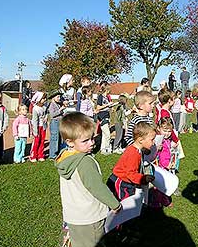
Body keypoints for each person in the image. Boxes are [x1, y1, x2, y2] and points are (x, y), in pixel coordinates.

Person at [55, 112, 122, 247]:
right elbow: (96, 187)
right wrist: (115, 204)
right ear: (70, 142)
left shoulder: (65, 157)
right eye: (85, 141)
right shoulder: (84, 162)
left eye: (92, 138)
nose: (92, 143)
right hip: (90, 217)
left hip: (73, 215)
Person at [107, 122, 156, 200]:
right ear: (140, 140)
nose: (153, 143)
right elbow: (131, 174)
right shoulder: (133, 154)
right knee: (125, 204)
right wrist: (144, 178)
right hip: (121, 182)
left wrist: (145, 151)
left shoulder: (136, 149)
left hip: (126, 181)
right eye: (152, 140)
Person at [30, 91, 47, 162]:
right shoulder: (35, 109)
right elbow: (34, 121)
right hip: (37, 127)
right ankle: (33, 156)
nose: (45, 99)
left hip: (43, 126)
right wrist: (35, 131)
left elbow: (46, 114)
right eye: (43, 98)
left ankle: (40, 155)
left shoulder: (44, 107)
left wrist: (46, 117)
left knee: (42, 141)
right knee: (37, 141)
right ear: (39, 99)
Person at [96, 81, 113, 155]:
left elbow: (107, 106)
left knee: (104, 134)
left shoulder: (107, 97)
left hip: (107, 115)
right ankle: (107, 147)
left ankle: (103, 149)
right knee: (107, 134)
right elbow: (98, 107)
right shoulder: (100, 97)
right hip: (102, 116)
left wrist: (111, 106)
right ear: (106, 90)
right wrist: (107, 105)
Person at [48, 91, 66, 159]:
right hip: (54, 122)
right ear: (53, 98)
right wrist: (60, 110)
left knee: (60, 138)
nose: (59, 98)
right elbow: (52, 115)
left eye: (59, 97)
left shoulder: (58, 104)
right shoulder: (51, 105)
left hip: (60, 121)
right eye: (57, 97)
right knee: (54, 138)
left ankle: (58, 152)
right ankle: (52, 155)